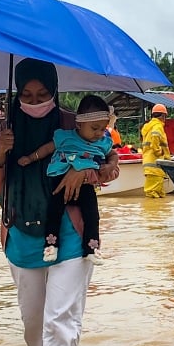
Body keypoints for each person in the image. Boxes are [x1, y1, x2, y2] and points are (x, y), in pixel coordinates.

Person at [0, 58, 120, 346]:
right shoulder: (7, 129)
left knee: (60, 320)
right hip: (21, 235)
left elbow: (110, 168)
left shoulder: (76, 124)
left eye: (42, 94)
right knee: (33, 324)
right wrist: (1, 154)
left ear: (55, 92)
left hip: (70, 233)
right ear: (16, 94)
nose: (34, 102)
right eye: (26, 95)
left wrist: (84, 171)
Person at [18, 95, 114, 264]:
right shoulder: (65, 137)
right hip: (59, 182)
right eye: (94, 128)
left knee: (93, 216)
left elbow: (113, 155)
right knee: (53, 213)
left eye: (102, 129)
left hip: (86, 186)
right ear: (79, 124)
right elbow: (47, 148)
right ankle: (51, 246)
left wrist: (111, 165)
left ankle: (91, 248)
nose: (99, 133)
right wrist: (31, 158)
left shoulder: (103, 142)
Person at [141, 104, 172, 198]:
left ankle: (159, 211)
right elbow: (155, 136)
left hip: (153, 165)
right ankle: (152, 212)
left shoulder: (148, 126)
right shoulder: (157, 126)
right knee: (152, 193)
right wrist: (158, 151)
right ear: (163, 116)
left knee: (160, 194)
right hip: (155, 165)